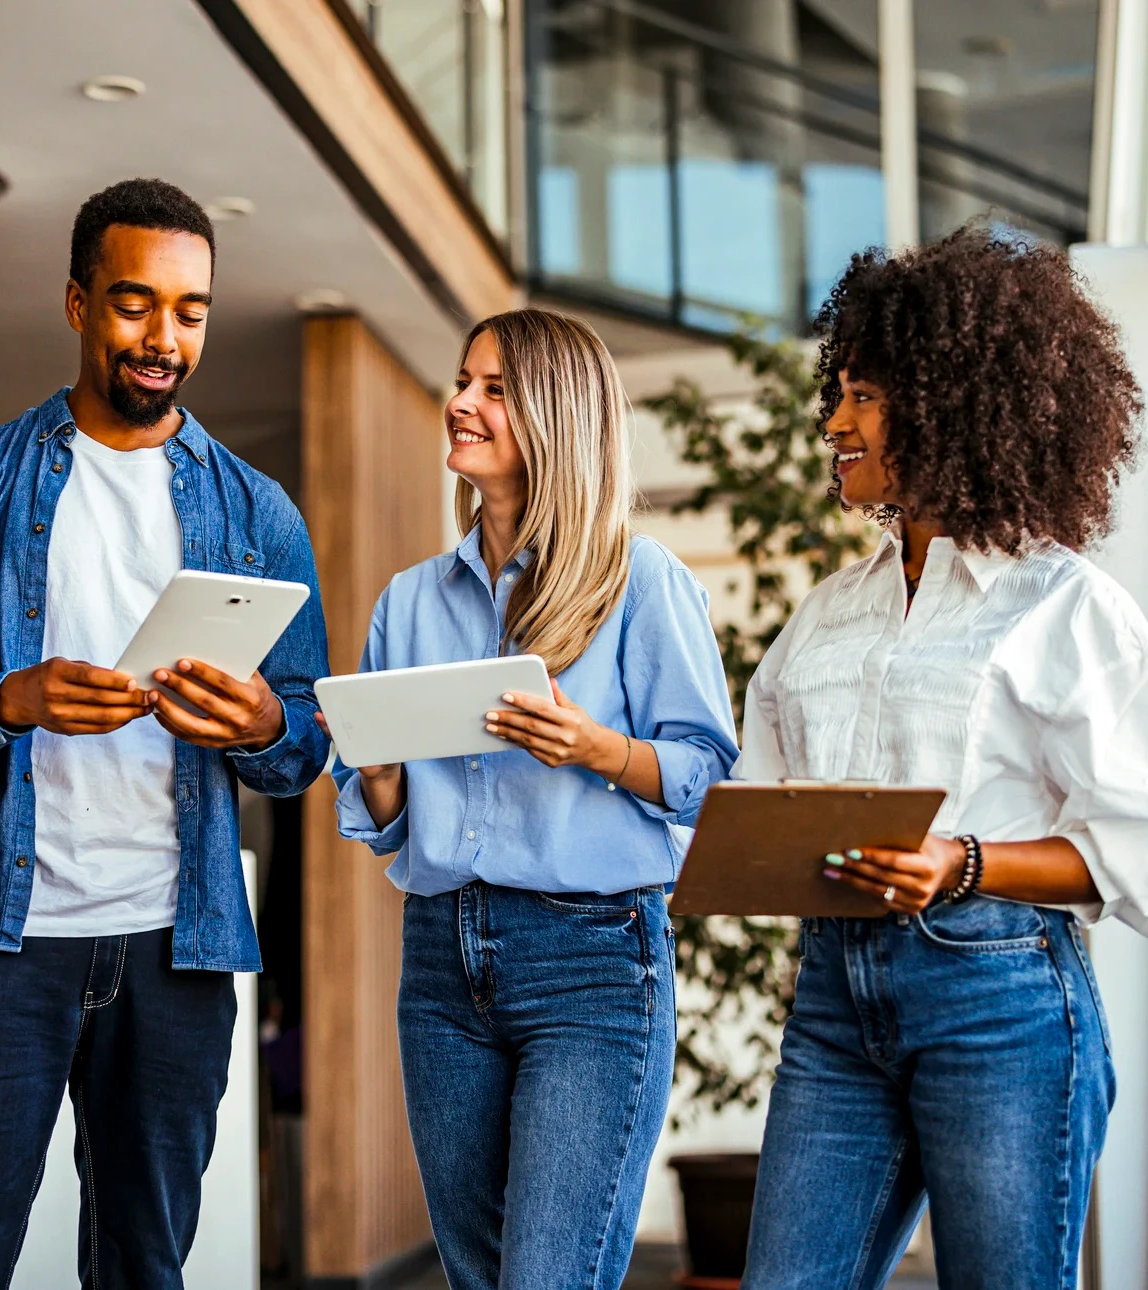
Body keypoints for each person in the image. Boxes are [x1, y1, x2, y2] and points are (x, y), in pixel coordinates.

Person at [0, 177, 332, 1287]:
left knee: (145, 1266)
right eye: (135, 305)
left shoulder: (258, 510)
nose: (163, 338)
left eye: (189, 312)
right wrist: (13, 699)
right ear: (78, 302)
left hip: (177, 948)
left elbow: (305, 739)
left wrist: (264, 719)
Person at [736, 228, 1148, 1288]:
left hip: (998, 999)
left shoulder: (1066, 607)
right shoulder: (824, 618)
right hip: (833, 998)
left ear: (945, 403)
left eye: (862, 396)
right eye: (838, 393)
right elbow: (758, 801)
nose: (834, 421)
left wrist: (963, 864)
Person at [333, 308, 740, 1290]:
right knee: (479, 1277)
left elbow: (708, 780)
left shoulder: (639, 584)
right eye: (462, 380)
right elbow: (378, 816)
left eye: (493, 388)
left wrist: (596, 747)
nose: (460, 403)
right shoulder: (410, 600)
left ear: (556, 415)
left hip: (590, 961)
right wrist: (377, 766)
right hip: (439, 956)